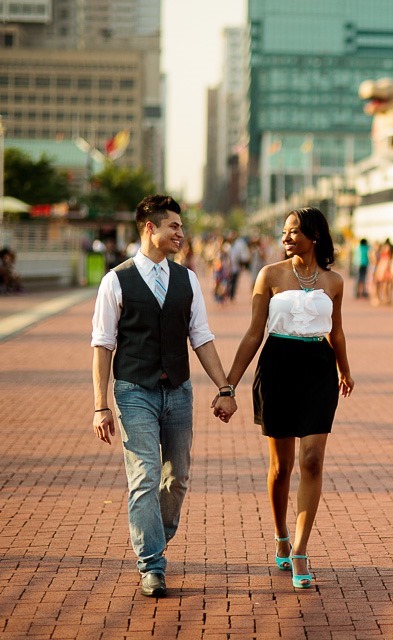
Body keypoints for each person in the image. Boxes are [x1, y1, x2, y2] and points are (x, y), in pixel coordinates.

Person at [90, 194, 238, 599]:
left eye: (181, 227)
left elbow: (202, 338)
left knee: (177, 479)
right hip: (133, 390)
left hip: (178, 392)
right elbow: (103, 345)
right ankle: (152, 564)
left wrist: (225, 387)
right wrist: (100, 405)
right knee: (144, 479)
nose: (181, 233)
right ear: (150, 228)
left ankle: (153, 534)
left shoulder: (187, 278)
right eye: (174, 226)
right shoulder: (115, 280)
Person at [225, 207, 354, 590]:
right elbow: (253, 334)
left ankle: (299, 549)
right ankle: (281, 532)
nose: (287, 237)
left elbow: (338, 332)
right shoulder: (269, 275)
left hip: (319, 369)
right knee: (281, 468)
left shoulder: (334, 281)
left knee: (311, 459)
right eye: (284, 231)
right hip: (277, 366)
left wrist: (345, 370)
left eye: (294, 231)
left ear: (314, 235)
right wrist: (228, 384)